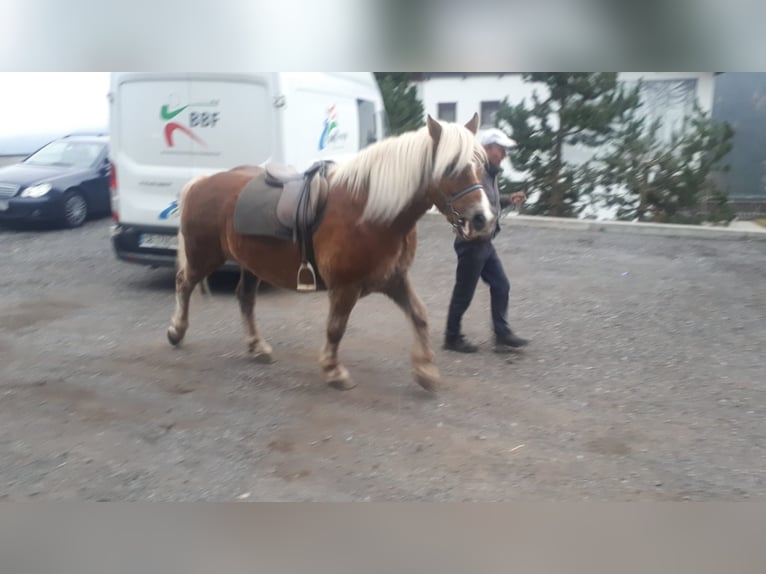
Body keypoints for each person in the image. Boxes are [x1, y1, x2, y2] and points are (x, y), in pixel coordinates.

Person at [443, 127, 529, 354]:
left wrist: (509, 200)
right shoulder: (476, 173)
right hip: (471, 244)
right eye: (501, 150)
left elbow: (489, 201)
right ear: (487, 149)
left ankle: (502, 335)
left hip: (485, 243)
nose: (504, 155)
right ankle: (451, 338)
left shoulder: (489, 174)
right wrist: (463, 229)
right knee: (464, 292)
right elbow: (457, 202)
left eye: (505, 151)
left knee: (501, 285)